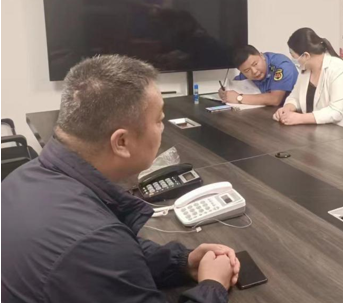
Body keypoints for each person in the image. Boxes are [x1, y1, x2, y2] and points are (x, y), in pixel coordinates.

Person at [1, 55, 240, 303]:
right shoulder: (94, 242)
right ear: (122, 142)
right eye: (159, 119)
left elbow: (115, 257)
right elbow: (102, 253)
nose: (162, 128)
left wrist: (182, 262)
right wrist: (213, 285)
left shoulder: (20, 178)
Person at [273, 28, 343, 131]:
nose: (294, 60)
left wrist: (299, 118)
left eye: (294, 56)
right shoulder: (305, 69)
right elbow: (295, 97)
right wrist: (287, 108)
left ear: (306, 55)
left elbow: (336, 112)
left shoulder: (339, 70)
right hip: (316, 130)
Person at [218, 45, 297, 106]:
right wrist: (225, 92)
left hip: (294, 112)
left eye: (255, 64)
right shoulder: (246, 71)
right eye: (247, 70)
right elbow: (236, 85)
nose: (254, 71)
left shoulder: (281, 66)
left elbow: (275, 99)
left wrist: (238, 98)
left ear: (261, 56)